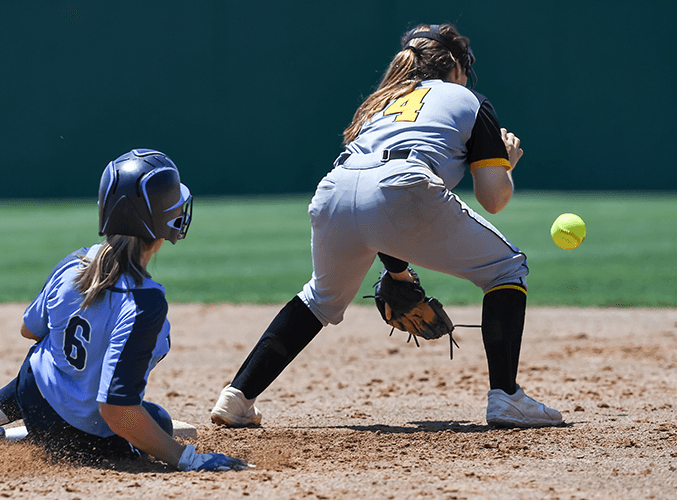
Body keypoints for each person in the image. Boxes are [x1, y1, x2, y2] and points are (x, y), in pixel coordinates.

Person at [210, 24, 562, 429]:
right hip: (404, 184)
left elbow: (373, 205)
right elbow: (493, 199)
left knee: (320, 298)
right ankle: (506, 397)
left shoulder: (381, 103)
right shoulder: (469, 99)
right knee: (506, 269)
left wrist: (398, 272)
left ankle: (237, 396)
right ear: (455, 67)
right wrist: (507, 162)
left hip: (335, 188)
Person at [0, 149, 250, 472]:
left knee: (48, 352)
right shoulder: (146, 303)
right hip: (81, 440)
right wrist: (188, 458)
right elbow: (115, 410)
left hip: (33, 399)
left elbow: (30, 330)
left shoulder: (75, 262)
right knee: (160, 423)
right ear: (164, 221)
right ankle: (5, 439)